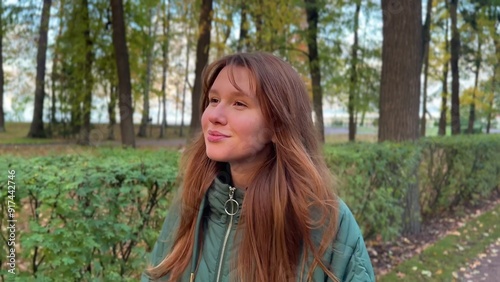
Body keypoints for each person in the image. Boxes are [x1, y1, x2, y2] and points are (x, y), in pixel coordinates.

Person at [141, 52, 375, 282]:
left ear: (277, 125)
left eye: (239, 103)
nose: (215, 115)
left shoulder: (326, 219)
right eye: (214, 100)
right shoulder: (192, 203)